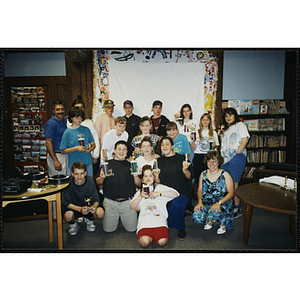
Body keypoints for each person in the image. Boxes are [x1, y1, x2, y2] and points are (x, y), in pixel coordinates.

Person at [95, 140, 141, 233]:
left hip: (128, 202)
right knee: (108, 230)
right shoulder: (107, 164)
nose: (121, 151)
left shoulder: (132, 165)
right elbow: (97, 182)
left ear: (127, 152)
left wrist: (135, 176)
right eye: (119, 149)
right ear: (114, 151)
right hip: (110, 202)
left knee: (132, 230)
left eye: (124, 149)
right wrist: (102, 177)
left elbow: (139, 184)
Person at [155, 136, 195, 240]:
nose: (164, 146)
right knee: (165, 212)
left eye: (167, 144)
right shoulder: (158, 161)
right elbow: (158, 182)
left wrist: (185, 170)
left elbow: (191, 176)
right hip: (166, 193)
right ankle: (176, 218)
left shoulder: (182, 158)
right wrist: (156, 176)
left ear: (172, 146)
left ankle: (181, 227)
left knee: (176, 205)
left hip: (182, 192)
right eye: (162, 144)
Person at [130, 165, 179, 247]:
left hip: (160, 222)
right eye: (145, 176)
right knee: (144, 243)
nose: (148, 178)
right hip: (145, 223)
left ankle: (155, 238)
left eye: (150, 175)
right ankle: (149, 238)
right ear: (142, 179)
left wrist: (159, 194)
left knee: (163, 242)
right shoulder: (140, 192)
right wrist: (141, 196)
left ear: (154, 177)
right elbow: (132, 206)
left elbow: (176, 194)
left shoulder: (159, 188)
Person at [191, 150, 235, 234]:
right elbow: (199, 190)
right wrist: (199, 202)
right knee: (197, 214)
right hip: (207, 201)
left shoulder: (225, 175)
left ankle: (223, 224)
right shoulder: (203, 174)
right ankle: (210, 220)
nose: (211, 164)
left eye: (214, 161)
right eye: (209, 161)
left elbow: (231, 193)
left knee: (215, 212)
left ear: (219, 162)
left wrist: (219, 203)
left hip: (222, 201)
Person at [219, 107, 250, 219]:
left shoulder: (240, 125)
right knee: (227, 183)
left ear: (235, 116)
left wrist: (238, 153)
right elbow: (224, 144)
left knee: (234, 183)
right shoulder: (227, 129)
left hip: (236, 157)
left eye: (230, 115)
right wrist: (221, 135)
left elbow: (245, 139)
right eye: (226, 116)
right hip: (226, 159)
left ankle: (237, 208)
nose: (228, 117)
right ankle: (229, 206)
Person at [62, 161, 104, 236]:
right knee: (68, 216)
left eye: (81, 173)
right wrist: (80, 209)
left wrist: (93, 207)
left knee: (100, 213)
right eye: (76, 174)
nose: (79, 177)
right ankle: (73, 223)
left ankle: (89, 219)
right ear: (72, 174)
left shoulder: (90, 181)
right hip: (75, 208)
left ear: (85, 173)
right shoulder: (68, 182)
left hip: (88, 208)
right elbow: (66, 203)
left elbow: (96, 199)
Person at [60, 107, 96, 176]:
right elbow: (63, 150)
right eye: (76, 117)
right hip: (74, 164)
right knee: (75, 184)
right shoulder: (67, 132)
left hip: (87, 162)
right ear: (71, 118)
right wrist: (76, 148)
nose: (79, 120)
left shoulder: (86, 129)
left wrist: (90, 149)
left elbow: (93, 145)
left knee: (89, 182)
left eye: (80, 117)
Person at [68, 96, 100, 170]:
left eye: (82, 107)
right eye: (77, 107)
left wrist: (95, 155)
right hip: (74, 156)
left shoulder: (89, 123)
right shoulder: (68, 124)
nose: (80, 109)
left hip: (87, 156)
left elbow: (95, 139)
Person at [191, 113, 219, 186]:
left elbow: (216, 147)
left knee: (209, 176)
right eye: (203, 120)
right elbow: (192, 148)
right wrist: (193, 140)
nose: (205, 121)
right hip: (198, 156)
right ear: (201, 121)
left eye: (207, 119)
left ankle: (209, 193)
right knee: (198, 177)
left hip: (209, 157)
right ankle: (200, 194)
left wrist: (214, 145)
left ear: (210, 121)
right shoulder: (196, 132)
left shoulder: (213, 133)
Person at [44, 100, 68, 177]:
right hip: (56, 155)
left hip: (65, 155)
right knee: (58, 181)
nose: (60, 111)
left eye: (62, 109)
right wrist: (55, 160)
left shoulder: (64, 120)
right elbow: (48, 142)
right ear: (53, 111)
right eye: (57, 109)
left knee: (66, 180)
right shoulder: (51, 123)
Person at [94, 99, 116, 169]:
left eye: (112, 107)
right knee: (104, 168)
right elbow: (97, 136)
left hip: (112, 149)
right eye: (108, 107)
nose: (111, 109)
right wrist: (98, 151)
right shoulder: (100, 119)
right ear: (104, 108)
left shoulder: (115, 120)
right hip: (103, 148)